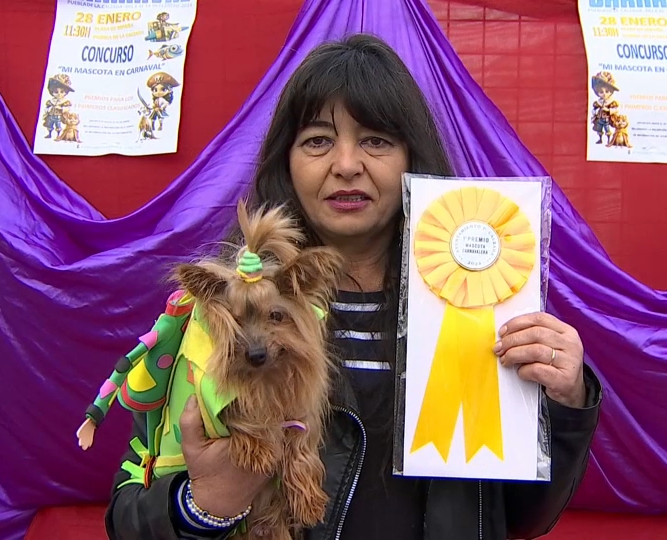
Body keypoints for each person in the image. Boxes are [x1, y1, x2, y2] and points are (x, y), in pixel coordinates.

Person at [104, 33, 602, 540]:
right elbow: (128, 517)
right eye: (318, 140)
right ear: (285, 160)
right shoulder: (222, 309)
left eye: (376, 140)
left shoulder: (480, 307)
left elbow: (525, 517)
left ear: (412, 156)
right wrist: (202, 504)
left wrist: (564, 403)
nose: (346, 164)